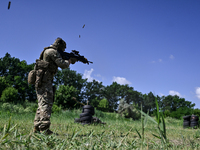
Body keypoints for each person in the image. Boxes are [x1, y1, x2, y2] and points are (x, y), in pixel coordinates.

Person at [33, 37, 77, 135]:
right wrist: (69, 61)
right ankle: (44, 129)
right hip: (45, 81)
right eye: (63, 48)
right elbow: (62, 65)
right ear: (60, 46)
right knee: (46, 104)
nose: (64, 50)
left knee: (41, 104)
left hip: (42, 80)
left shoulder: (47, 50)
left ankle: (37, 127)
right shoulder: (52, 52)